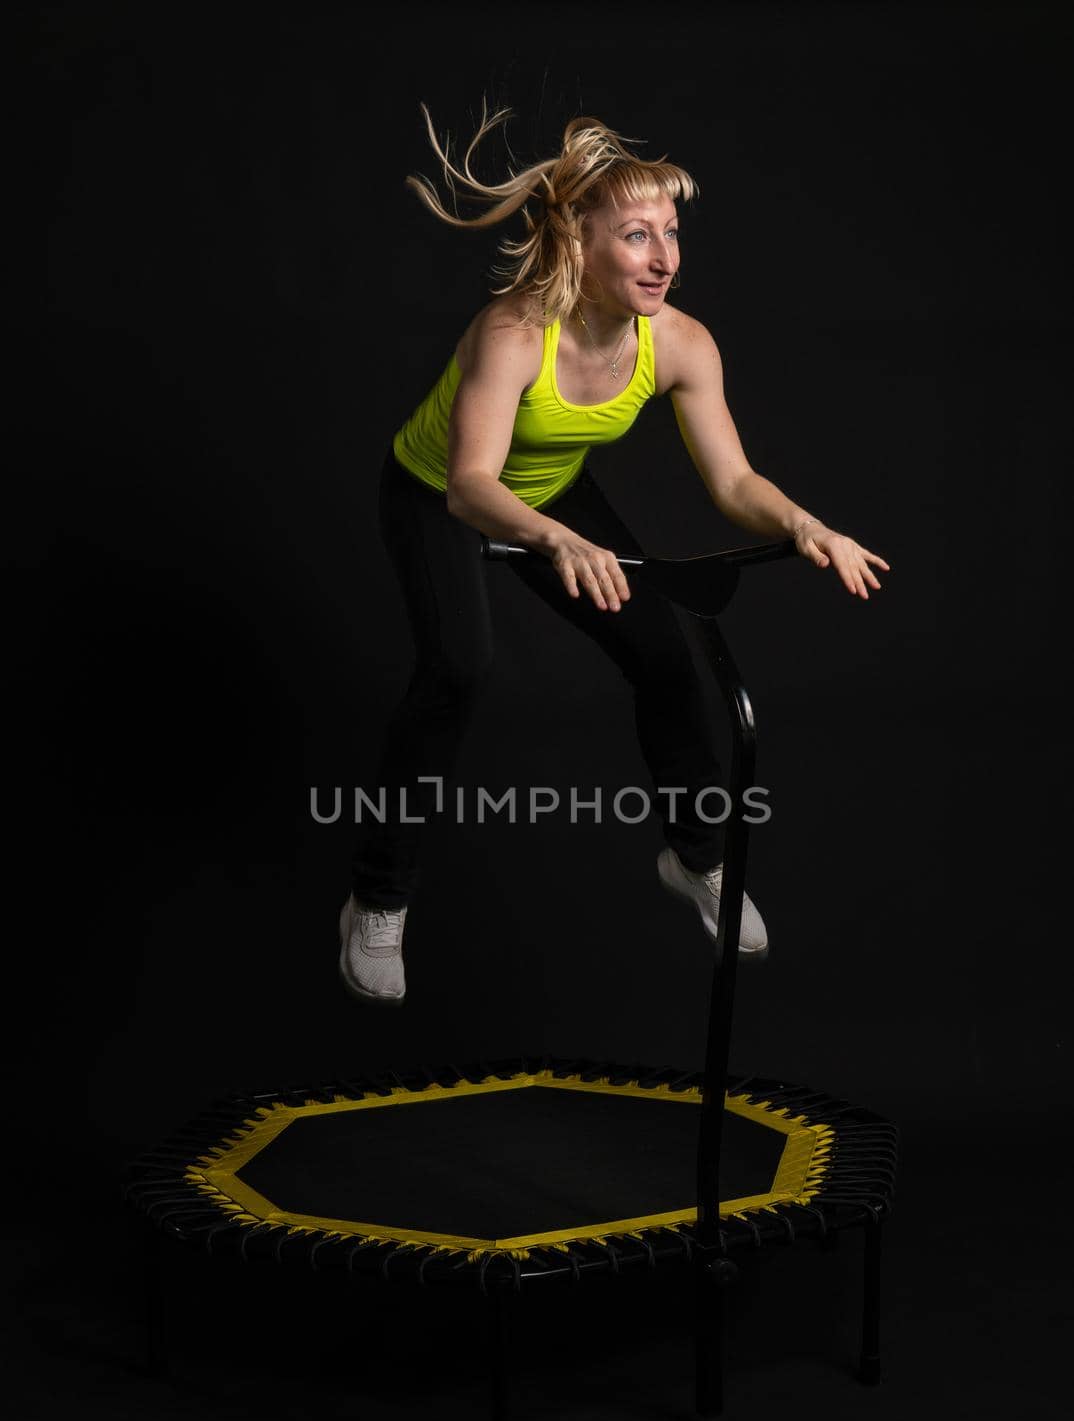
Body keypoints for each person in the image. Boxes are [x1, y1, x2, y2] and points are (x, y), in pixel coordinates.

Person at [339, 102, 889, 1005]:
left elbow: (733, 480)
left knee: (667, 653)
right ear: (577, 245)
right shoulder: (514, 330)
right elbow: (472, 487)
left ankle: (696, 858)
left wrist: (805, 525)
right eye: (638, 236)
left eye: (671, 234)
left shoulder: (679, 343)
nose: (665, 257)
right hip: (439, 489)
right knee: (458, 670)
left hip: (552, 491)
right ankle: (378, 896)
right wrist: (557, 541)